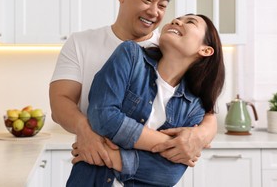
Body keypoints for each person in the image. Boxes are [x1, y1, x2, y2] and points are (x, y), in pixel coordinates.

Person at [49, 0, 217, 171]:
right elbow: (60, 102)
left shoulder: (170, 48)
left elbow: (205, 109)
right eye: (147, 0)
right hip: (93, 166)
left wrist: (200, 135)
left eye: (163, 6)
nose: (154, 12)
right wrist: (85, 130)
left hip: (148, 172)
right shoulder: (81, 42)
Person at [66, 14, 225, 186]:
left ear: (205, 50)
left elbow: (169, 174)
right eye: (176, 19)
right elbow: (102, 116)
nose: (176, 21)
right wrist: (171, 144)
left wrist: (113, 156)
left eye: (190, 22)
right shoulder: (130, 55)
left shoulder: (194, 106)